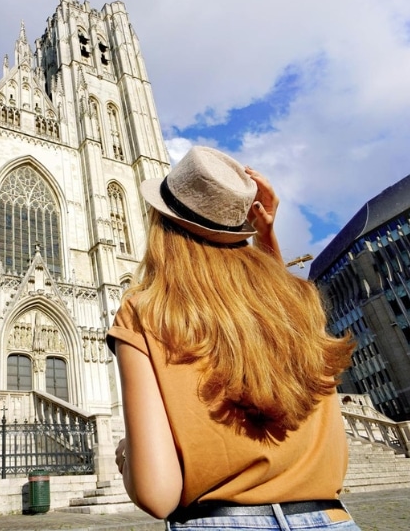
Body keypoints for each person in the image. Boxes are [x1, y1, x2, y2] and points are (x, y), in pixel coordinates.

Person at [106, 146, 359, 530]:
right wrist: (265, 236)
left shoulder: (143, 312)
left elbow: (158, 494)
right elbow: (264, 319)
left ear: (160, 222)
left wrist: (127, 457)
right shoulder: (302, 302)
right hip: (332, 520)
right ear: (239, 227)